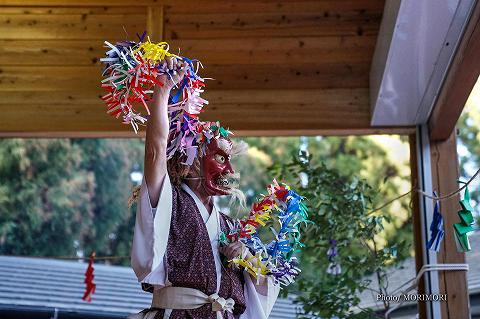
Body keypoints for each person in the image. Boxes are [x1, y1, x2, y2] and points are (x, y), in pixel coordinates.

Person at [128, 57, 280, 319]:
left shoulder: (232, 227)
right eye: (220, 158)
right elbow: (155, 151)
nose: (230, 171)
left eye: (230, 161)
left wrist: (248, 260)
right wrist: (162, 90)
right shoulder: (171, 203)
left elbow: (264, 292)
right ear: (190, 162)